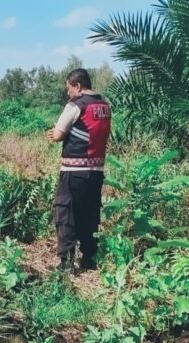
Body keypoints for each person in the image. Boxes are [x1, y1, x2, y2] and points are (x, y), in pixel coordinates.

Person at [46, 68, 112, 272]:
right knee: (90, 214)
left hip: (74, 170)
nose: (68, 93)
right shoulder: (104, 106)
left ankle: (66, 263)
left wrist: (53, 134)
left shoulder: (76, 105)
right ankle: (89, 259)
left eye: (69, 88)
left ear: (78, 86)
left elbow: (58, 134)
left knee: (66, 213)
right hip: (96, 171)